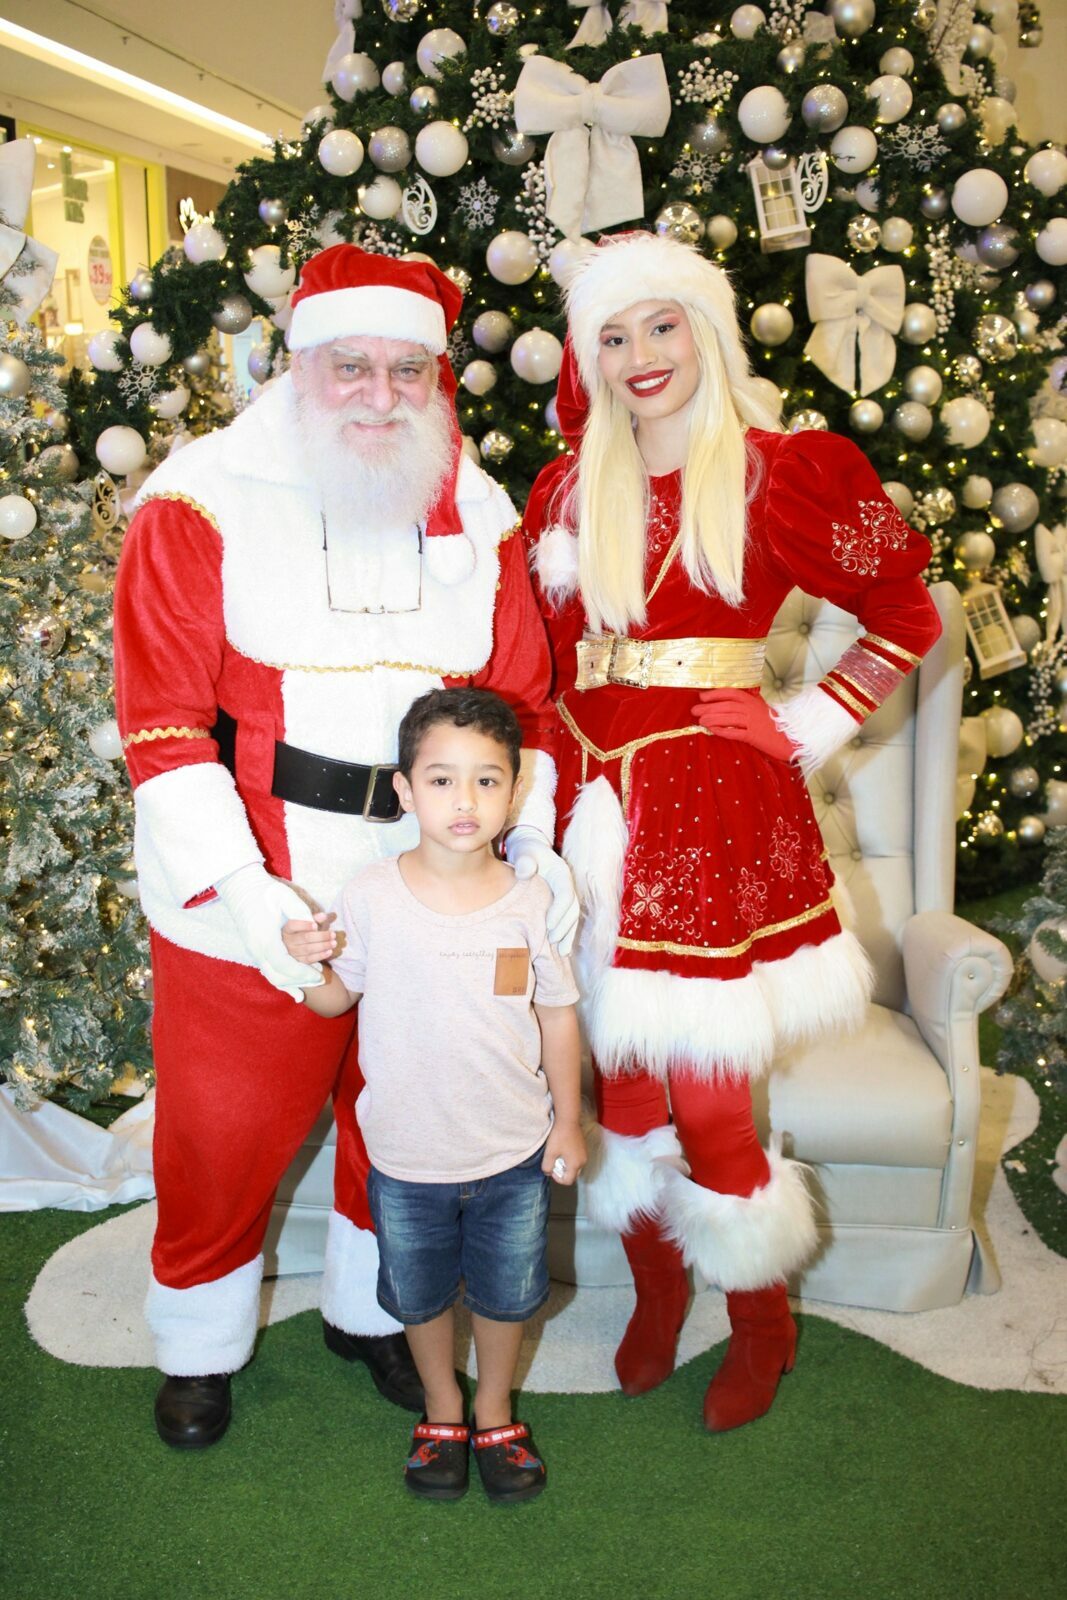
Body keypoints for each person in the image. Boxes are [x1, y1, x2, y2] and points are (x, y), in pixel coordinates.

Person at [113, 245, 577, 1449]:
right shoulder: (198, 500)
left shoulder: (478, 510)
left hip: (438, 885)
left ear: (436, 377)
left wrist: (528, 853)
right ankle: (200, 1344)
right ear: (299, 363)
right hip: (254, 878)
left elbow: (523, 707)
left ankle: (376, 1313)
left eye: (405, 369)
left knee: (408, 1118)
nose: (379, 394)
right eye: (350, 365)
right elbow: (162, 727)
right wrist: (250, 895)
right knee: (223, 1131)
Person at [522, 231, 943, 1431]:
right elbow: (540, 660)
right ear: (589, 358)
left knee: (710, 1106)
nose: (640, 355)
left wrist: (803, 722)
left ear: (702, 330)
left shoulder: (779, 473)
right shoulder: (564, 489)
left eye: (661, 325)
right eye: (613, 335)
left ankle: (760, 1319)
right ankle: (658, 1291)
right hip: (585, 805)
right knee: (621, 1088)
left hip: (711, 808)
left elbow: (904, 610)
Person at [282, 687, 584, 1503]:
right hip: (407, 1157)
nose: (465, 800)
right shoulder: (370, 894)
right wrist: (300, 959)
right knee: (417, 1298)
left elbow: (557, 1014)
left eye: (487, 780)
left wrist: (569, 1122)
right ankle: (442, 1408)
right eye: (442, 780)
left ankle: (493, 1410)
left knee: (506, 1296)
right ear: (406, 791)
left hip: (513, 1152)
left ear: (514, 791)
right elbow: (333, 1001)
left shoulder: (530, 899)